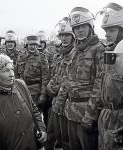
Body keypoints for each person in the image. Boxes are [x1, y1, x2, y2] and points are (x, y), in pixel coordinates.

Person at [0, 54, 47, 150]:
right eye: (5, 71)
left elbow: (33, 109)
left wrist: (41, 128)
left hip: (32, 145)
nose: (12, 74)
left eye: (11, 69)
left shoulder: (20, 84)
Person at [54, 7, 106, 150]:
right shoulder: (74, 50)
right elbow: (67, 78)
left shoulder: (99, 49)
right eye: (76, 27)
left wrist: (90, 115)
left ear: (91, 27)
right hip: (70, 112)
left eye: (83, 26)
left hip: (85, 114)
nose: (80, 30)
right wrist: (59, 103)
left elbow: (100, 84)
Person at [96, 3, 123, 150]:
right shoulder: (111, 52)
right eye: (105, 30)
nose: (106, 34)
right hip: (107, 116)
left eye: (111, 30)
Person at [45, 16, 75, 150]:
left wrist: (55, 88)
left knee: (67, 139)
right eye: (62, 35)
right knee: (51, 134)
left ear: (73, 36)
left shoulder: (76, 54)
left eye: (67, 35)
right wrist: (49, 86)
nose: (64, 38)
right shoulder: (59, 54)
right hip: (55, 102)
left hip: (68, 104)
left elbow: (72, 77)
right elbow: (55, 74)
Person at [16, 34, 50, 114]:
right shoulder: (20, 56)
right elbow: (16, 74)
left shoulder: (42, 58)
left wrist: (43, 94)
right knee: (23, 115)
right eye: (30, 44)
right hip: (22, 91)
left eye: (35, 44)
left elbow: (45, 77)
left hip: (36, 93)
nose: (33, 47)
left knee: (35, 116)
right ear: (26, 45)